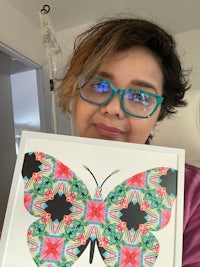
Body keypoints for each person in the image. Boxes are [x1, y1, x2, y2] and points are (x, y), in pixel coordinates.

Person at [58, 17, 200, 267]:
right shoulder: (40, 174)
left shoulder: (194, 195)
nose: (113, 108)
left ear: (159, 111)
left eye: (139, 95)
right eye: (99, 85)